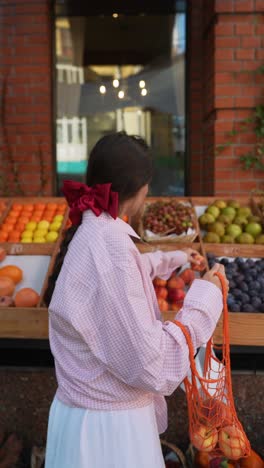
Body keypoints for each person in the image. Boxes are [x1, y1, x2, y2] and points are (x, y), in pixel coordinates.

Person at [44, 132, 227, 468]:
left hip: (87, 420)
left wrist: (168, 258)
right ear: (142, 188)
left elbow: (109, 281)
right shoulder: (109, 244)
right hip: (108, 435)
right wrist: (207, 296)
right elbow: (152, 364)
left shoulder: (95, 230)